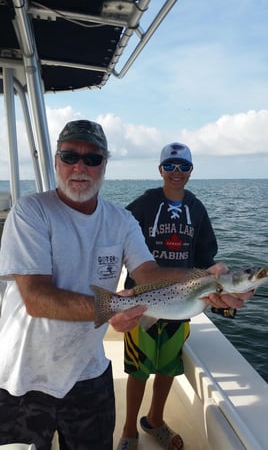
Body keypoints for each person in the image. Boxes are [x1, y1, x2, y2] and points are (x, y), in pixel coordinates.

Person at [0, 123, 250, 450]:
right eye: (70, 155)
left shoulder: (121, 220)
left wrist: (207, 281)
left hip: (88, 372)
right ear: (57, 160)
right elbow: (36, 298)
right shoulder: (31, 212)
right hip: (22, 378)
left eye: (92, 159)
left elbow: (148, 272)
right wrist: (114, 308)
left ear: (105, 164)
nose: (80, 167)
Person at [117, 142, 222, 450]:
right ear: (160, 169)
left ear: (191, 171)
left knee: (168, 366)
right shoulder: (145, 203)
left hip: (183, 303)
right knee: (138, 367)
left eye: (184, 167)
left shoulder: (197, 208)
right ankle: (128, 430)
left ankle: (155, 420)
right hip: (143, 298)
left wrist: (215, 278)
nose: (177, 173)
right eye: (171, 166)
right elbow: (118, 235)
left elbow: (205, 256)